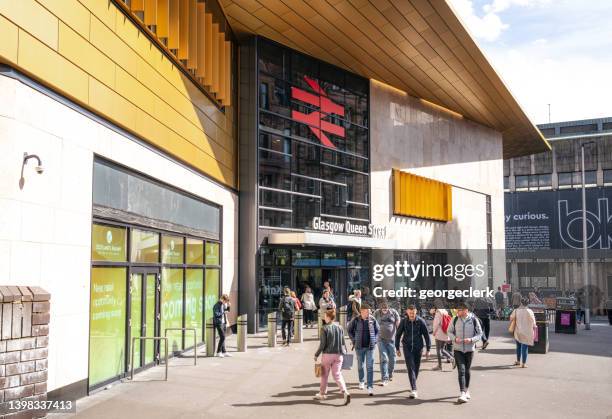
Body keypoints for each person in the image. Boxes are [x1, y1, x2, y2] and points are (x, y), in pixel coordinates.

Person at [314, 308, 351, 405]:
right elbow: (343, 342)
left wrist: (316, 354)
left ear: (328, 317)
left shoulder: (324, 328)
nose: (324, 317)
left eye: (325, 316)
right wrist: (345, 353)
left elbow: (322, 344)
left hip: (327, 355)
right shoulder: (340, 327)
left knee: (324, 375)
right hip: (339, 355)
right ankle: (345, 392)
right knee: (337, 375)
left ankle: (322, 394)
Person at [448, 301, 482, 403]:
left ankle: (466, 389)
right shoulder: (454, 320)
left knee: (467, 370)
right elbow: (449, 331)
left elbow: (480, 334)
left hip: (469, 349)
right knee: (461, 370)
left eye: (460, 310)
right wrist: (454, 339)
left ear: (466, 310)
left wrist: (471, 340)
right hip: (458, 349)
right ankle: (462, 392)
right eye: (457, 310)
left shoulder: (474, 320)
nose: (457, 312)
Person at [395, 305, 431, 399]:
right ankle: (414, 389)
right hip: (407, 347)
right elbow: (398, 335)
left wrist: (428, 349)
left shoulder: (420, 321)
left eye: (413, 313)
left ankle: (413, 383)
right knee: (410, 367)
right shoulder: (404, 321)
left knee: (416, 368)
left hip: (418, 347)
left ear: (416, 312)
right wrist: (397, 348)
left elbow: (426, 336)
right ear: (407, 312)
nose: (411, 314)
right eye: (410, 313)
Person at [347, 303, 379, 396]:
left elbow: (378, 330)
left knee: (370, 367)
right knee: (360, 365)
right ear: (361, 312)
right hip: (359, 347)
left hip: (370, 347)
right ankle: (361, 381)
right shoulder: (356, 320)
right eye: (366, 312)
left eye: (369, 312)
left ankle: (370, 386)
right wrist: (354, 340)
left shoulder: (372, 319)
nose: (368, 314)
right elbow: (349, 330)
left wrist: (375, 340)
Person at [373, 300, 400, 385]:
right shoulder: (377, 313)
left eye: (386, 306)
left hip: (392, 340)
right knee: (384, 358)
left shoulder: (394, 312)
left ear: (388, 306)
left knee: (392, 358)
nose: (384, 307)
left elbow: (398, 324)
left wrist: (400, 336)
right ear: (380, 306)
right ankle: (384, 378)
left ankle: (390, 373)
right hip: (380, 339)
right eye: (382, 306)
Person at [510, 297, 536, 368]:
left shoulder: (516, 310)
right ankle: (523, 363)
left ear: (521, 303)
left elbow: (511, 318)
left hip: (518, 331)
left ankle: (518, 361)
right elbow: (533, 322)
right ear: (527, 303)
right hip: (526, 332)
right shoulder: (529, 311)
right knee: (525, 347)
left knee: (518, 346)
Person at [431, 305, 454, 370]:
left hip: (439, 333)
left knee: (438, 350)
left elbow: (436, 324)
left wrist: (434, 332)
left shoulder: (438, 313)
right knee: (442, 349)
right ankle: (451, 358)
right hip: (445, 333)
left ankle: (440, 365)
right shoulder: (445, 312)